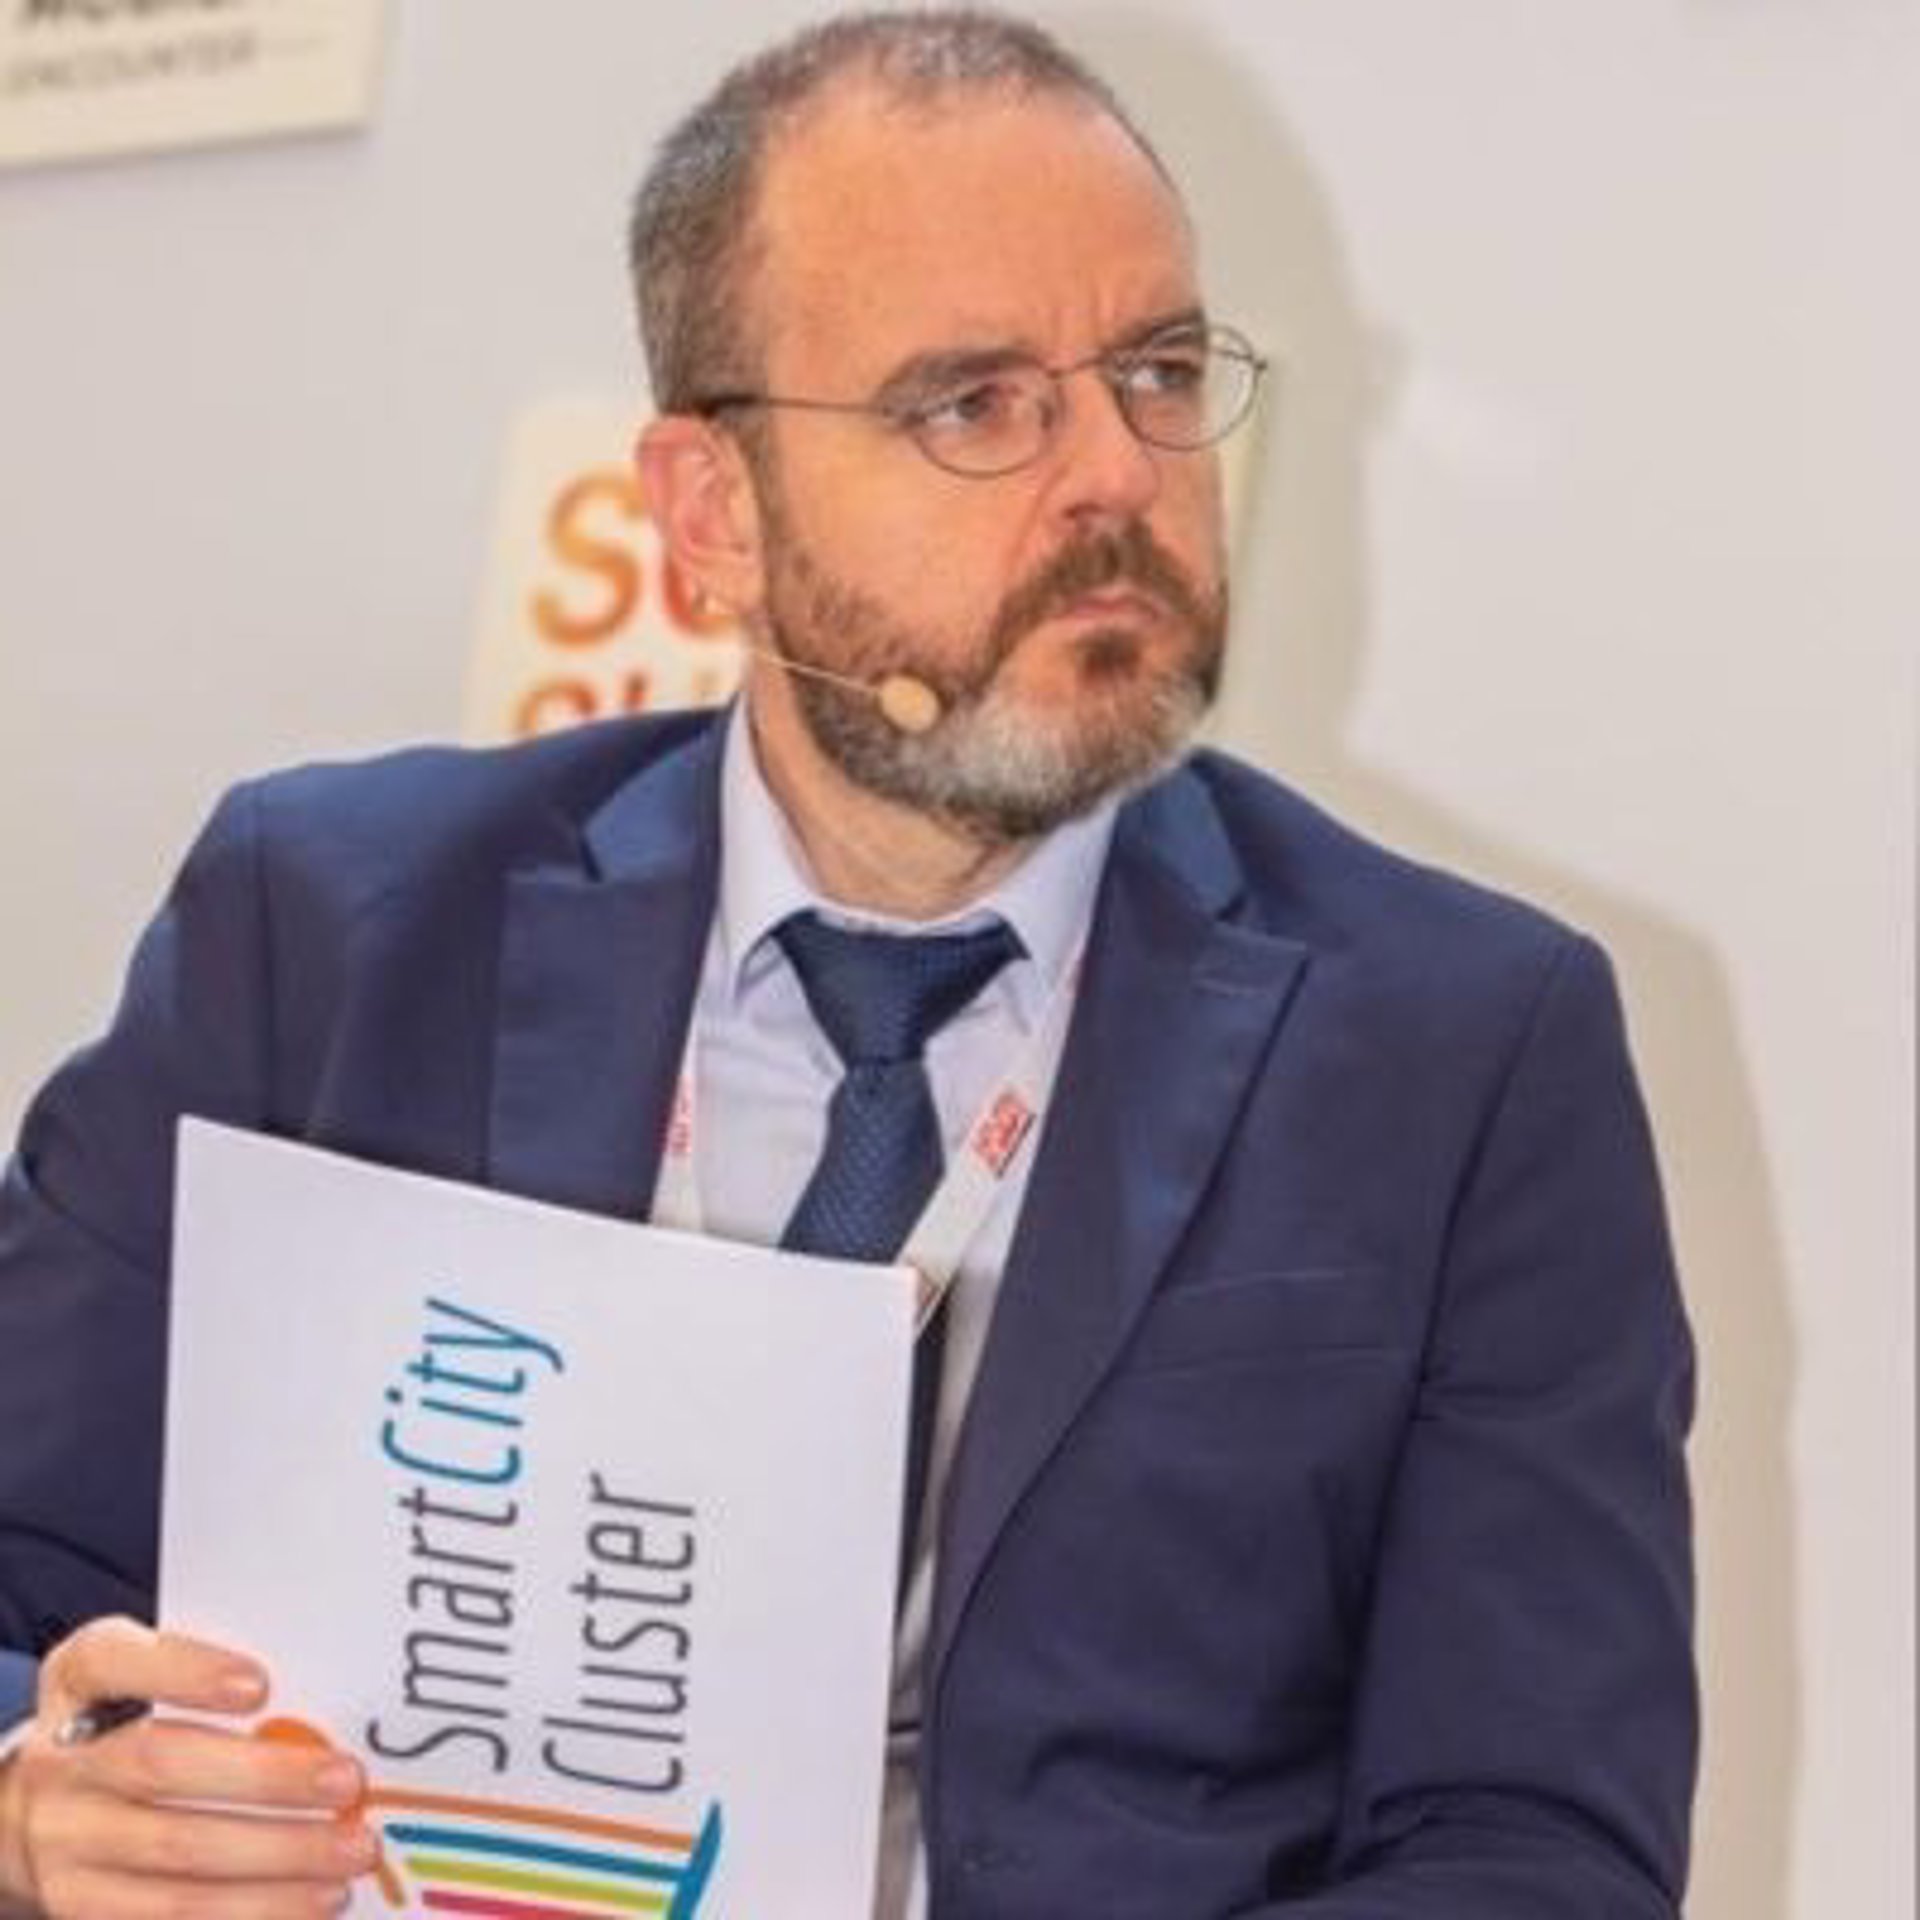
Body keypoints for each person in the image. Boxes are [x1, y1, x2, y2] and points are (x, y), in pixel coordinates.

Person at [0, 9, 1696, 1917]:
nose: (1117, 476)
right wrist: (30, 1808)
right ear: (712, 517)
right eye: (975, 404)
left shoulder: (1463, 1048)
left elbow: (1533, 1854)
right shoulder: (326, 926)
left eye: (1156, 373)